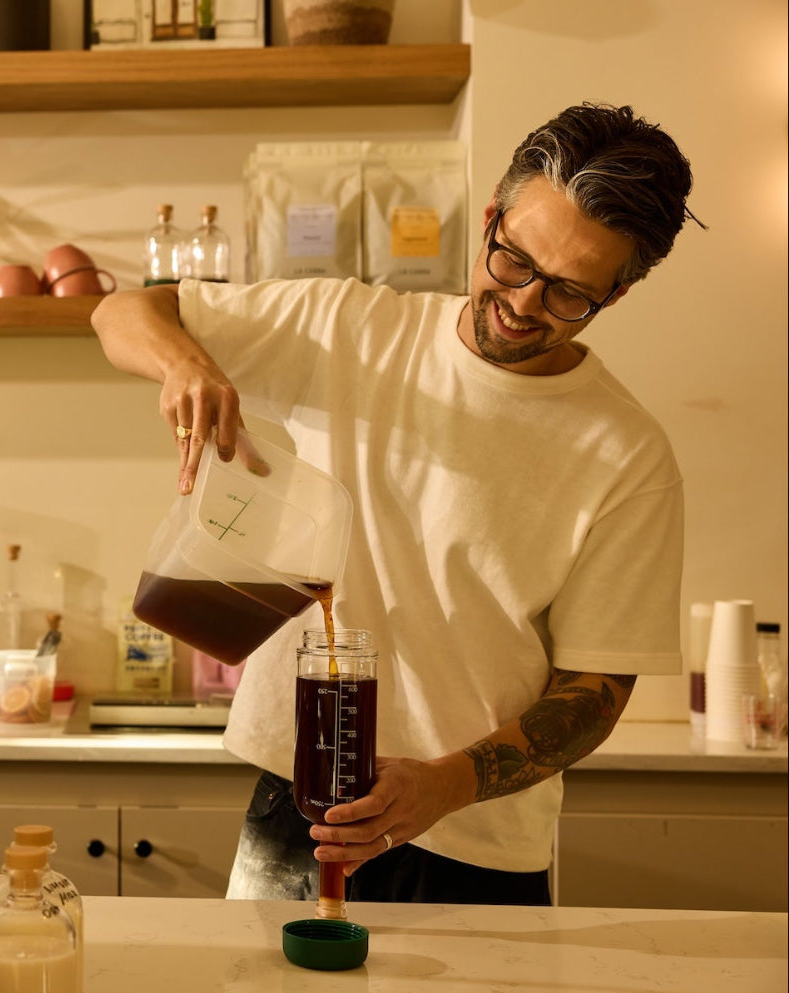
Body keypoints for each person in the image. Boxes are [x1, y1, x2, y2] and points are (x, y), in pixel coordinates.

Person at [92, 103, 703, 906]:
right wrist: (185, 366)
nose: (522, 304)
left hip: (478, 841)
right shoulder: (348, 326)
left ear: (616, 294)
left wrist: (444, 784)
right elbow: (120, 313)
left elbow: (597, 687)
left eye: (568, 294)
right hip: (297, 807)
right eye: (513, 260)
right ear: (490, 218)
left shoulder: (627, 454)